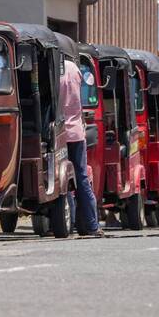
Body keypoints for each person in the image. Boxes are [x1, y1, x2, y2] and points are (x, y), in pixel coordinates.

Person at [61, 54, 106, 237]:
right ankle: (92, 225)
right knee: (81, 178)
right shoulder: (74, 68)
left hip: (58, 132)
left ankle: (66, 222)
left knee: (61, 179)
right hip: (76, 131)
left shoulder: (51, 66)